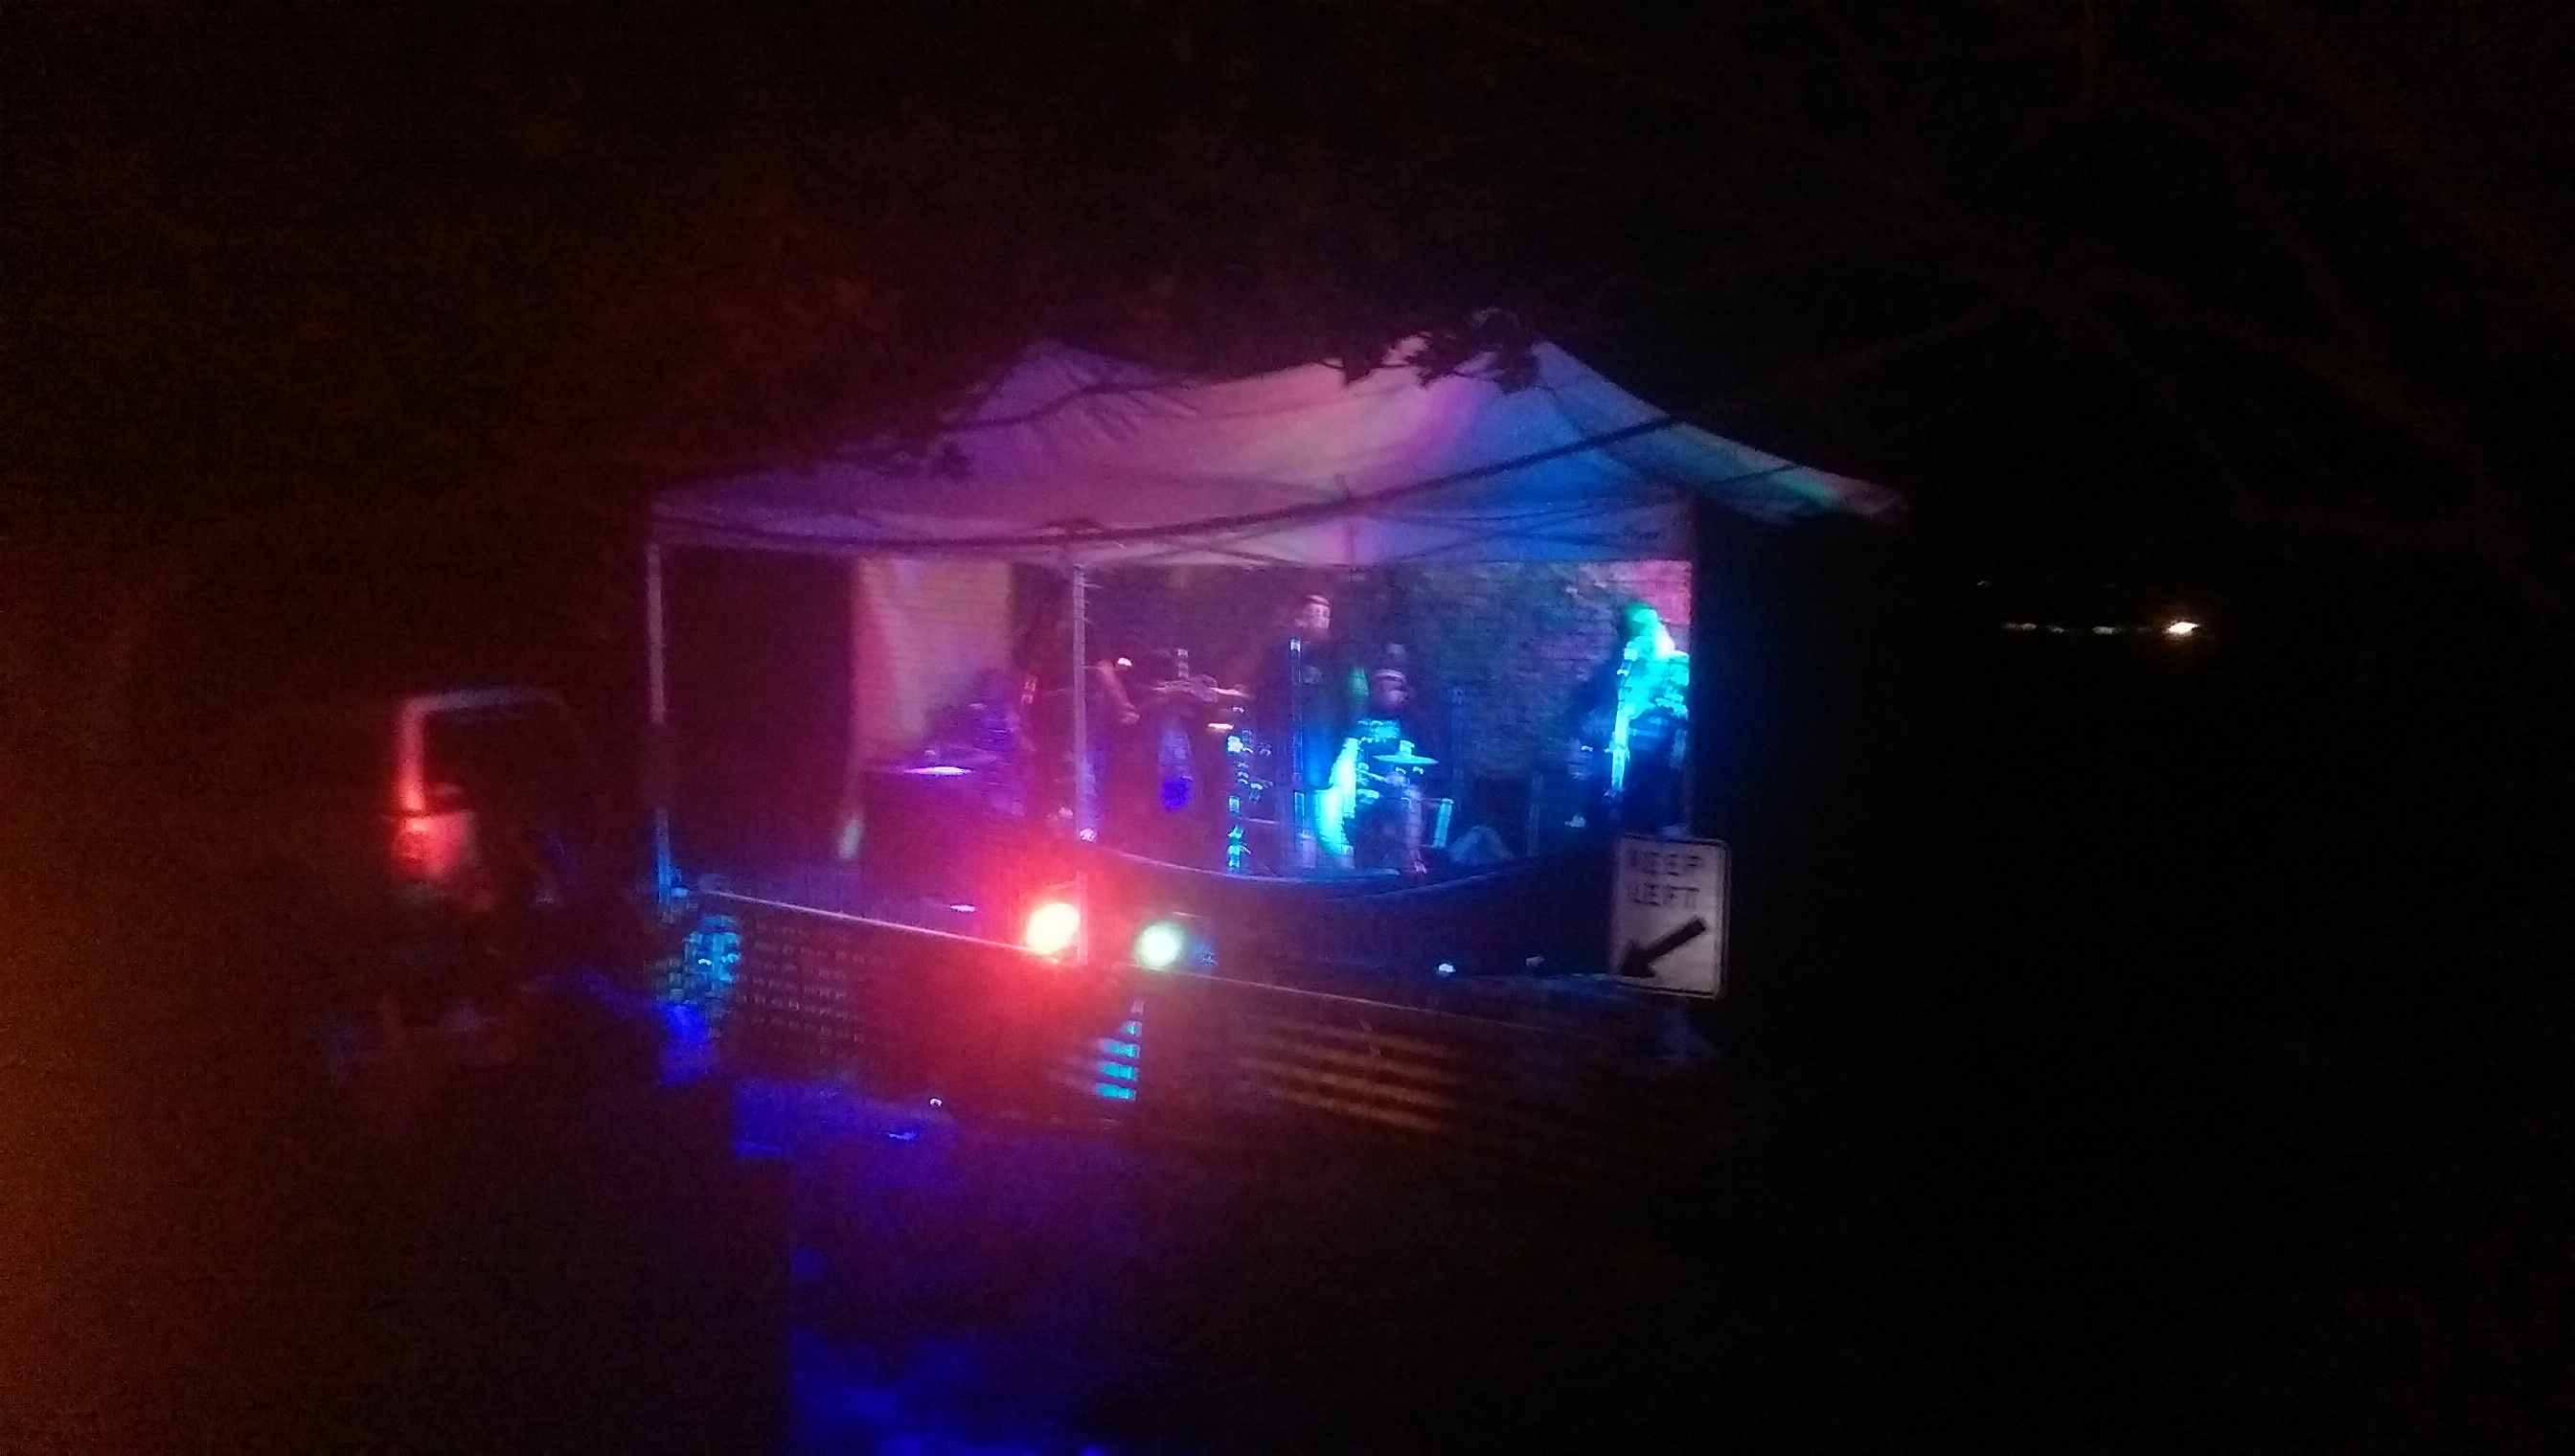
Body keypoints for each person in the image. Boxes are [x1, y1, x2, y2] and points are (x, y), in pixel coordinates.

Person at [1239, 592, 1361, 870]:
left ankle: (1353, 882)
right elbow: (1260, 698)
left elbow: (1354, 704)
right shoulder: (1279, 656)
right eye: (1314, 613)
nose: (1320, 620)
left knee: (1329, 830)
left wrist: (1346, 753)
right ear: (1299, 618)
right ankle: (1301, 881)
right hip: (1288, 754)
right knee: (1295, 829)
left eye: (1325, 615)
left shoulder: (1339, 657)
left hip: (1329, 755)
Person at [1565, 600, 1690, 833]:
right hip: (1612, 770)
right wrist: (1587, 733)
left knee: (1647, 821)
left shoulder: (1677, 665)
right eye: (1636, 630)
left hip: (1657, 770)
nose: (1646, 635)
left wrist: (1650, 706)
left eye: (1650, 626)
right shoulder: (1617, 668)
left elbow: (1682, 712)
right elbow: (1585, 705)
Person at [1322, 648, 1438, 874]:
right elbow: (1342, 756)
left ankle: (1409, 861)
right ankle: (1347, 870)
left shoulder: (1414, 725)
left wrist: (1406, 777)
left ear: (1403, 693)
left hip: (1396, 792)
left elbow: (1427, 765)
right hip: (1359, 791)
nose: (1386, 693)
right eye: (1380, 687)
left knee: (1410, 798)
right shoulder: (1356, 721)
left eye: (1392, 688)